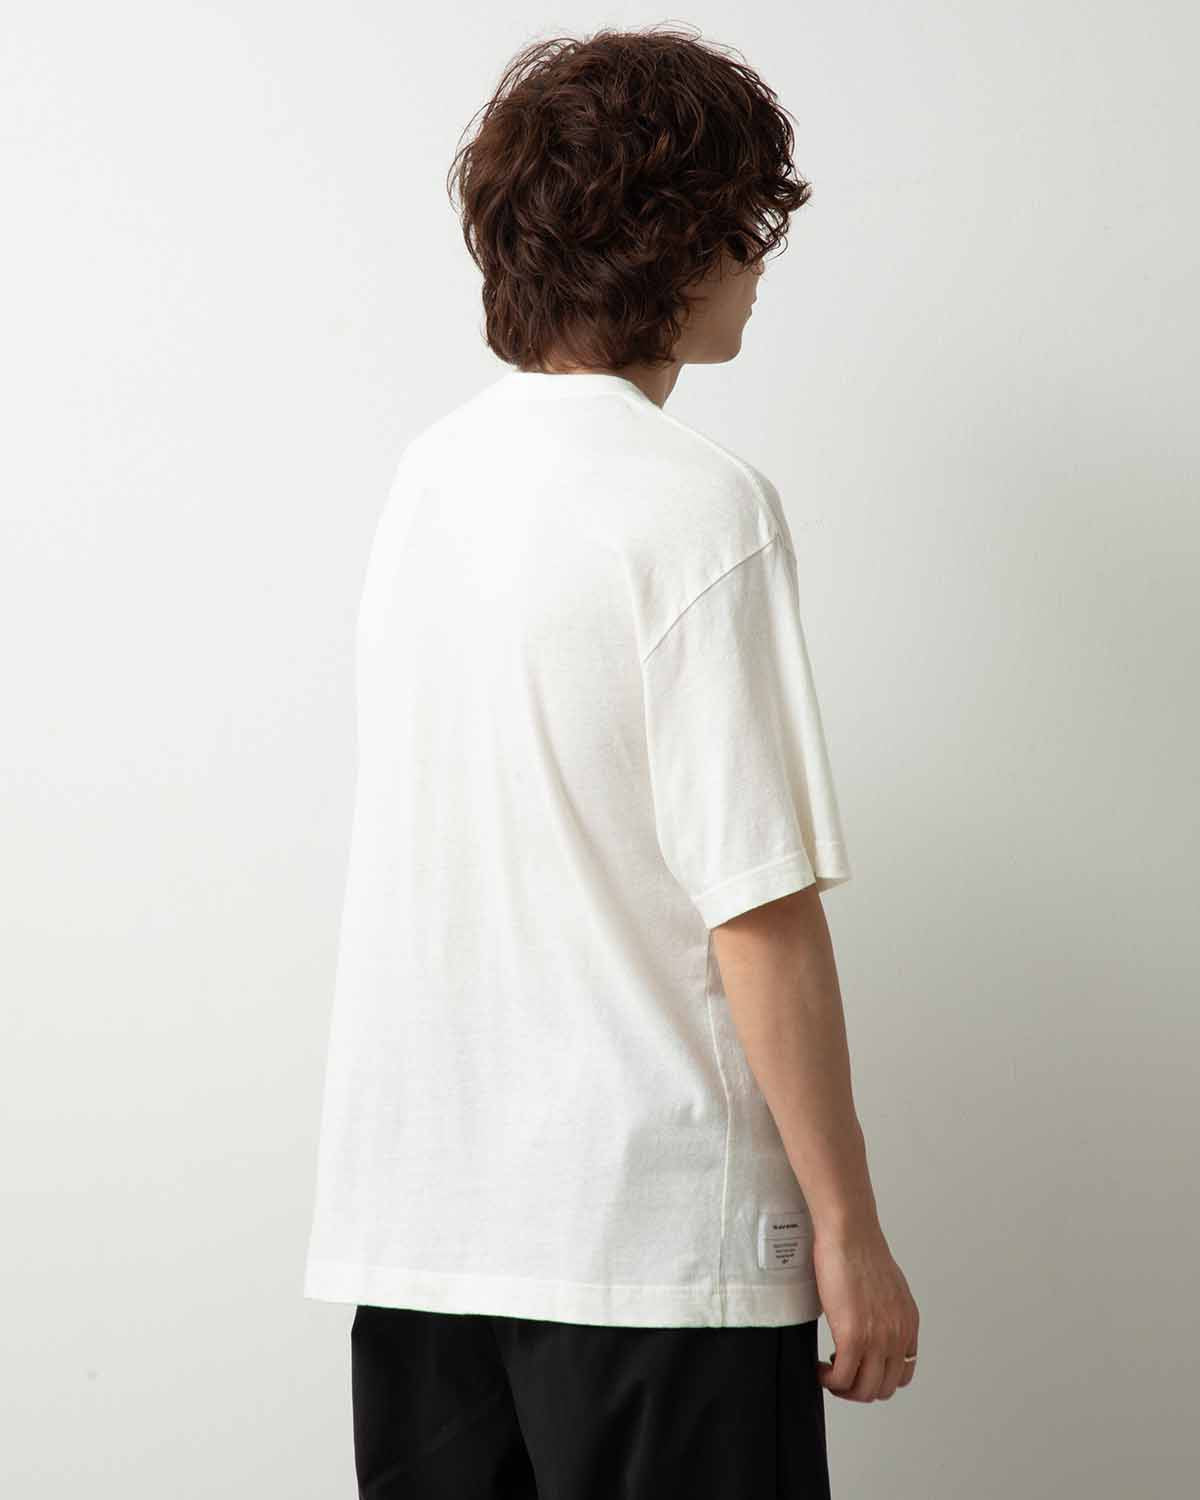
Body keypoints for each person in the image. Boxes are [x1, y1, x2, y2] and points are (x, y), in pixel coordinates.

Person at [303, 23, 919, 1499]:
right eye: (744, 225)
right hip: (656, 1252)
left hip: (421, 1241)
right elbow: (755, 903)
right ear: (676, 242)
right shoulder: (700, 507)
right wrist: (848, 1230)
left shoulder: (429, 483)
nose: (759, 263)